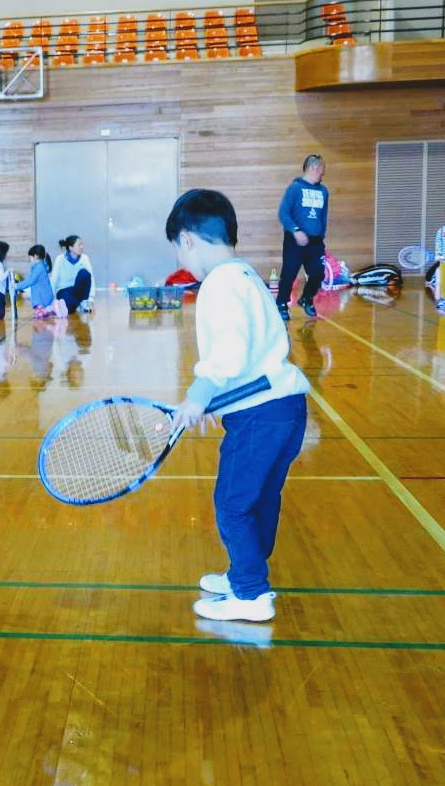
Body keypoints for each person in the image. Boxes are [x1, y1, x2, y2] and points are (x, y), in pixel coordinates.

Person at [165, 188, 311, 623]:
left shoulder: (218, 285)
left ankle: (251, 594)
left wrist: (198, 397)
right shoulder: (246, 275)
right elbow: (253, 353)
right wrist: (215, 401)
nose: (181, 261)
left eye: (178, 251)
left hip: (259, 418)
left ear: (188, 239)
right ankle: (245, 574)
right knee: (260, 499)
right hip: (285, 407)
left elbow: (228, 354)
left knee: (232, 503)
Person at [276, 154, 330, 320]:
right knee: (289, 273)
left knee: (318, 273)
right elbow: (283, 213)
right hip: (295, 240)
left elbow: (323, 216)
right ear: (314, 167)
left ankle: (306, 298)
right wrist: (296, 230)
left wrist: (321, 235)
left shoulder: (323, 191)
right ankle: (282, 303)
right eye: (322, 168)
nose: (323, 172)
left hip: (315, 242)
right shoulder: (295, 188)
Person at [51, 235, 95, 315]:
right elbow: (54, 279)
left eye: (82, 244)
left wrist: (91, 299)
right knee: (69, 305)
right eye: (79, 245)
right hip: (64, 291)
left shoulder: (85, 258)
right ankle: (74, 304)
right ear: (71, 248)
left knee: (84, 273)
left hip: (78, 290)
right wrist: (52, 300)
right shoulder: (60, 259)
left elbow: (91, 279)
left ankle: (83, 303)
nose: (82, 247)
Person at [14, 244, 55, 317]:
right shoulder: (39, 266)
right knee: (40, 317)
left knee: (39, 317)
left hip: (42, 299)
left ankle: (50, 310)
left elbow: (31, 280)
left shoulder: (39, 267)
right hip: (43, 298)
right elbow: (30, 279)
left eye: (30, 257)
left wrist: (17, 286)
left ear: (35, 256)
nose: (29, 259)